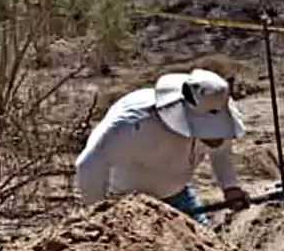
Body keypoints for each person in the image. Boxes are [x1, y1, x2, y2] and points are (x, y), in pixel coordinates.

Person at [75, 69, 250, 226]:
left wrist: (230, 187)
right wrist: (98, 216)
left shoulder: (215, 111)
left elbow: (220, 151)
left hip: (178, 195)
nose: (217, 136)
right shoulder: (134, 123)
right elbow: (88, 165)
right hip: (126, 204)